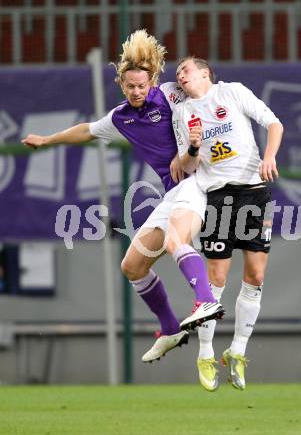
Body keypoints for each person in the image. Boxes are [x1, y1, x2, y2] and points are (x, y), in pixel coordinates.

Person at [21, 30, 224, 364]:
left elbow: (208, 96)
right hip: (173, 192)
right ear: (121, 84)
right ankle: (170, 328)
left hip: (197, 183)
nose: (136, 91)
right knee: (132, 266)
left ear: (153, 81)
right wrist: (48, 139)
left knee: (176, 237)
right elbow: (87, 130)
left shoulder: (173, 95)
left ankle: (204, 299)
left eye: (142, 85)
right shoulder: (121, 117)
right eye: (130, 86)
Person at [172, 57, 283, 391]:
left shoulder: (232, 93)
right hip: (219, 197)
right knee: (216, 279)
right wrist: (192, 145)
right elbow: (187, 167)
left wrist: (269, 156)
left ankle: (237, 351)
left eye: (186, 69)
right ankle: (205, 354)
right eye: (177, 73)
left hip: (255, 192)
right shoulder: (183, 113)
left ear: (205, 73)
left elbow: (274, 123)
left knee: (256, 276)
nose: (180, 75)